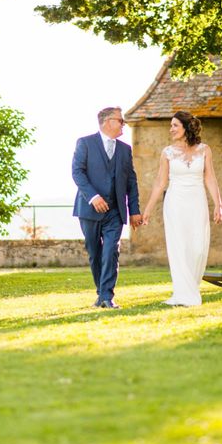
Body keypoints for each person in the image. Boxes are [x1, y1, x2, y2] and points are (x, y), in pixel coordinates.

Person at [141, 111, 222, 306]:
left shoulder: (204, 150)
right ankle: (183, 293)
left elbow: (210, 178)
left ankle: (191, 287)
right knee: (179, 246)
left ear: (186, 127)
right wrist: (148, 210)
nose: (171, 129)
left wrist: (218, 204)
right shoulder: (167, 153)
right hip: (175, 202)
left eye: (175, 125)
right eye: (171, 125)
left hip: (197, 200)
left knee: (198, 248)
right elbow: (160, 183)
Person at [72, 106, 142, 309]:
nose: (123, 124)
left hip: (115, 211)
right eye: (121, 121)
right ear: (107, 122)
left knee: (111, 251)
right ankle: (100, 293)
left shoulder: (125, 149)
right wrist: (93, 197)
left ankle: (106, 296)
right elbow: (77, 172)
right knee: (95, 253)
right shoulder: (85, 143)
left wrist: (134, 210)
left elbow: (131, 182)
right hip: (89, 209)